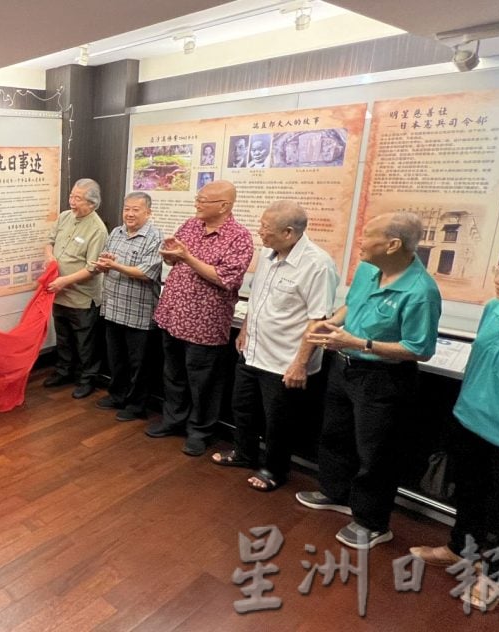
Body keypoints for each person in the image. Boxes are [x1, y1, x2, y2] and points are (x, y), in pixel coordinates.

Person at [409, 243, 499, 611]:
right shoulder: (495, 309)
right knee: (469, 494)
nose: (498, 279)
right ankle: (460, 550)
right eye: (498, 270)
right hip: (470, 423)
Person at [301, 211, 441, 550]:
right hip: (344, 367)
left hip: (384, 378)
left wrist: (359, 343)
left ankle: (372, 522)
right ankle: (335, 492)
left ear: (392, 244)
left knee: (377, 453)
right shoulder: (367, 270)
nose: (359, 242)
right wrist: (330, 323)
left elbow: (420, 350)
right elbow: (351, 305)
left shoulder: (421, 291)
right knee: (336, 434)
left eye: (366, 236)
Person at [210, 201, 338, 492]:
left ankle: (275, 469)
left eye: (266, 229)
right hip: (253, 350)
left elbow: (318, 319)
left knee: (278, 421)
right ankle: (244, 453)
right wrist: (243, 331)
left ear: (289, 232)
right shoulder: (268, 255)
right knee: (242, 407)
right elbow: (257, 299)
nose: (260, 233)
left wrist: (301, 363)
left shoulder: (317, 265)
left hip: (284, 360)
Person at [148, 180, 254, 457]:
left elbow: (226, 279)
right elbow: (175, 261)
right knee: (173, 373)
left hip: (205, 323)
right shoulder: (191, 225)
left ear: (223, 206)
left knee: (203, 382)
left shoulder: (239, 237)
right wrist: (171, 255)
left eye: (203, 199)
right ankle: (173, 419)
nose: (197, 203)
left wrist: (187, 257)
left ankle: (200, 431)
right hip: (173, 313)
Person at [94, 192, 163, 421]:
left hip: (139, 313)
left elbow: (146, 273)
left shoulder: (155, 237)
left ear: (148, 212)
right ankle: (117, 395)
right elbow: (110, 263)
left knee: (139, 364)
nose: (130, 214)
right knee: (116, 359)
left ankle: (136, 406)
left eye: (136, 209)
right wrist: (105, 264)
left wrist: (115, 265)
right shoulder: (116, 232)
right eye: (127, 209)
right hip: (113, 307)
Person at [43, 178, 109, 399]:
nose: (71, 201)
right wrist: (49, 256)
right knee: (63, 337)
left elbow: (93, 268)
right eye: (71, 196)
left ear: (91, 203)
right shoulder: (64, 217)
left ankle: (87, 379)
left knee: (84, 343)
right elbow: (49, 240)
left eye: (77, 198)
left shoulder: (98, 229)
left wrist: (64, 280)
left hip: (81, 297)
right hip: (59, 293)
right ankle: (64, 371)